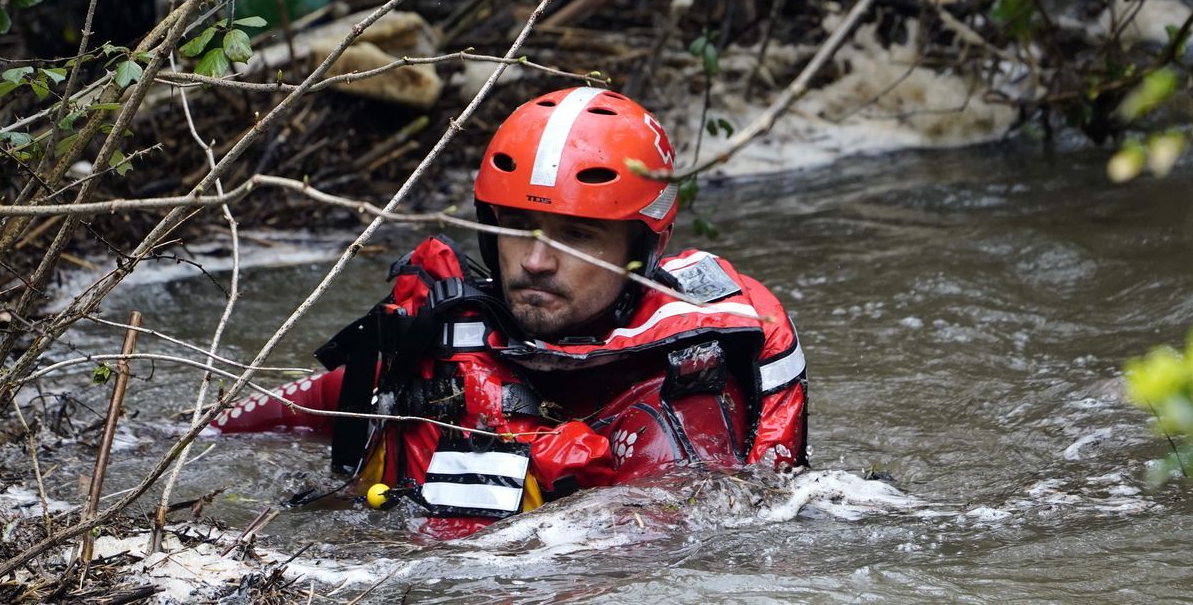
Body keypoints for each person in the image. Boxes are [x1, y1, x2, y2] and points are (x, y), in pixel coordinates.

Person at [211, 88, 808, 537]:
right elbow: (293, 409)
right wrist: (157, 438)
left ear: (640, 250)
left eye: (576, 235)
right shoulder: (456, 338)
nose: (537, 261)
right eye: (520, 228)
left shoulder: (676, 407)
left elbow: (646, 562)